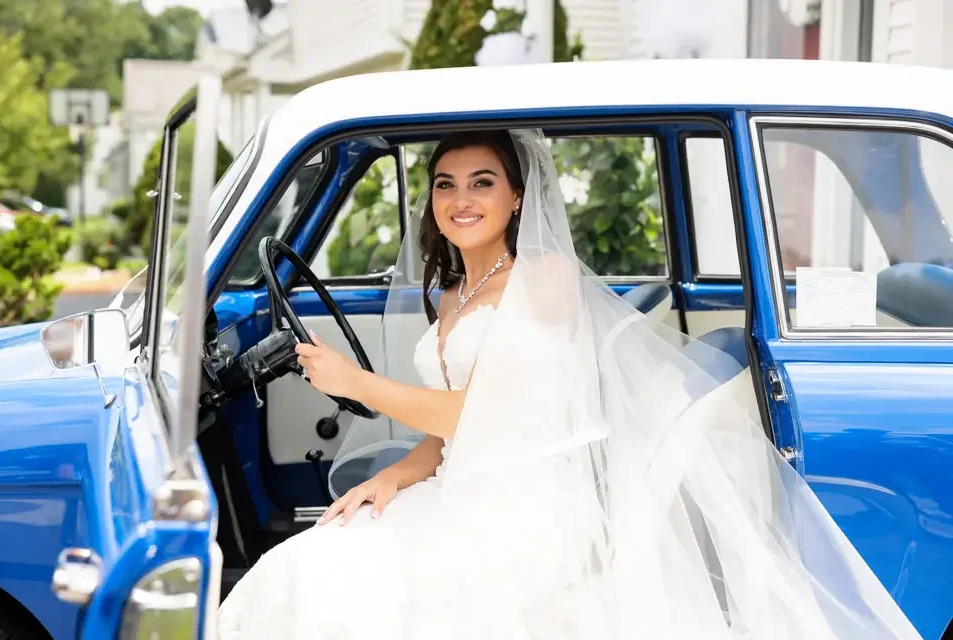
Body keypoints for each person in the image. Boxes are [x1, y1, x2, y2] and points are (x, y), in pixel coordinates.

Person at [216, 129, 923, 639]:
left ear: (518, 198)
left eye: (482, 183)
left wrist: (358, 384)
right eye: (446, 184)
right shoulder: (455, 289)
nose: (461, 200)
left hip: (532, 514)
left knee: (331, 584)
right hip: (468, 491)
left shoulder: (543, 281)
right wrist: (395, 477)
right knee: (317, 558)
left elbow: (487, 413)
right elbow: (448, 432)